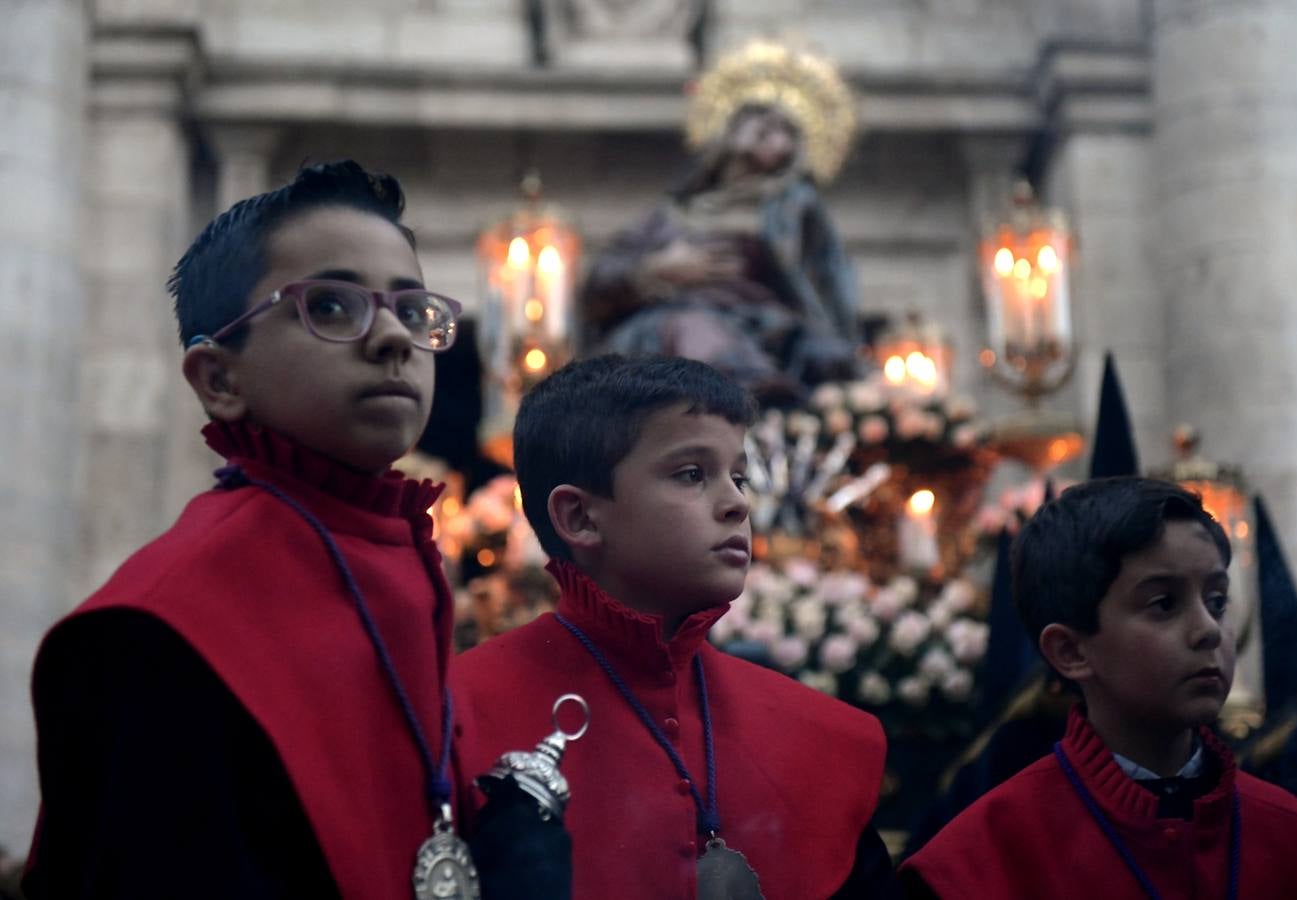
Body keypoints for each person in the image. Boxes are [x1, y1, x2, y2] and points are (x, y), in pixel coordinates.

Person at [24, 161, 567, 899]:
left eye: (413, 312)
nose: (393, 339)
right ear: (219, 379)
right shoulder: (158, 627)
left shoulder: (406, 567)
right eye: (334, 308)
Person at [454, 354, 892, 899]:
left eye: (739, 477)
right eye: (691, 474)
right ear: (580, 517)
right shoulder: (459, 716)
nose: (736, 503)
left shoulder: (822, 735)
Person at [896, 477, 1297, 898]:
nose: (1209, 630)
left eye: (1216, 601)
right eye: (1164, 604)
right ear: (1070, 651)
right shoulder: (975, 865)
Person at [580, 102, 862, 403]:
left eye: (784, 129)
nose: (768, 127)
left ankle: (765, 401)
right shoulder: (673, 214)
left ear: (791, 151)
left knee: (827, 359)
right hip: (677, 322)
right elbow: (599, 281)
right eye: (755, 118)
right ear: (727, 133)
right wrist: (655, 268)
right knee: (695, 331)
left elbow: (829, 276)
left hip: (765, 326)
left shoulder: (792, 207)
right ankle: (751, 396)